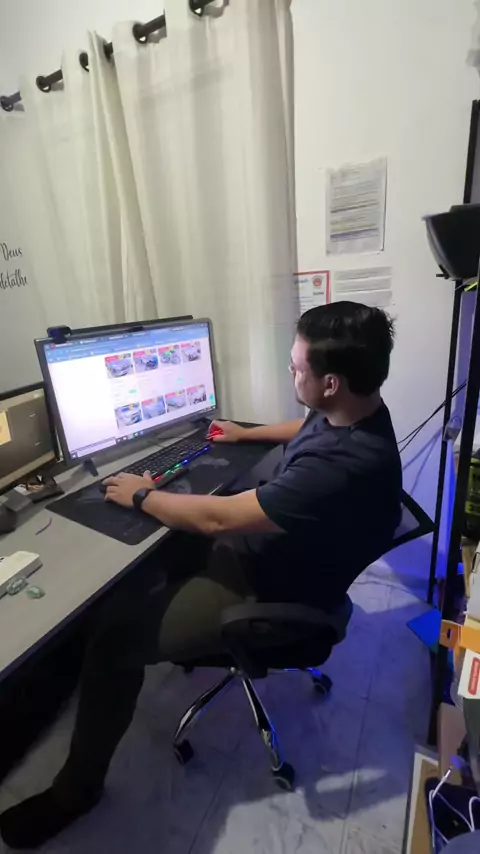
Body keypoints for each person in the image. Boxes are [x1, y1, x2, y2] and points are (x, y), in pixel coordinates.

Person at [0, 301, 402, 849]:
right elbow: (309, 426)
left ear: (330, 382)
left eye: (295, 367)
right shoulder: (359, 410)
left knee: (113, 643)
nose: (289, 372)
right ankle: (164, 628)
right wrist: (243, 433)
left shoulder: (343, 467)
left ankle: (75, 792)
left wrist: (142, 495)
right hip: (280, 553)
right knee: (161, 548)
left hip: (269, 587)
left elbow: (218, 519)